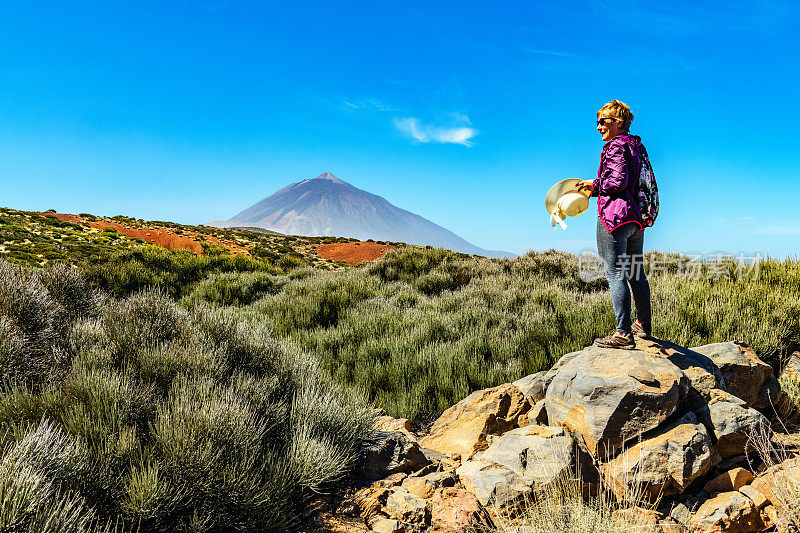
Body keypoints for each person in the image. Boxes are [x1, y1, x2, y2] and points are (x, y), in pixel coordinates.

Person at [577, 100, 652, 349]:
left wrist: (593, 187)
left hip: (614, 216)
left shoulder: (616, 146)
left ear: (618, 122)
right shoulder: (635, 146)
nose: (598, 127)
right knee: (635, 272)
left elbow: (617, 182)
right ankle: (642, 325)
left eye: (603, 121)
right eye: (597, 122)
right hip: (634, 218)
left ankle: (622, 334)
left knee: (615, 274)